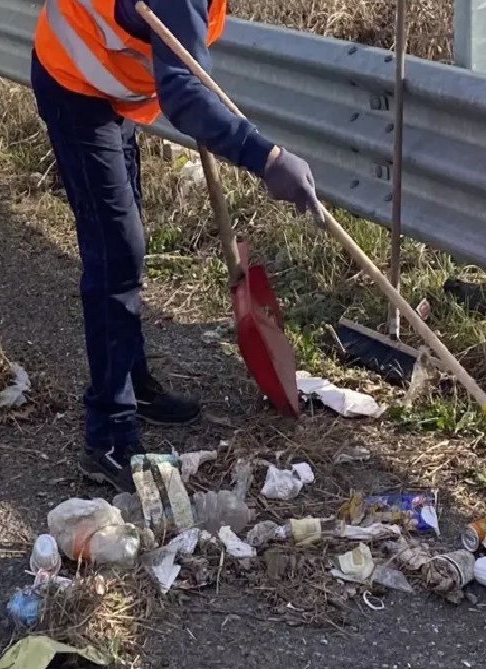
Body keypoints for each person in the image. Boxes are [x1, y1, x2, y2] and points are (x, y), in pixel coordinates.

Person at [29, 0, 322, 493]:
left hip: (111, 83)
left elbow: (183, 57)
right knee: (116, 252)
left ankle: (133, 385)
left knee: (125, 235)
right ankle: (108, 433)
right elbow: (183, 92)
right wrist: (267, 158)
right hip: (74, 82)